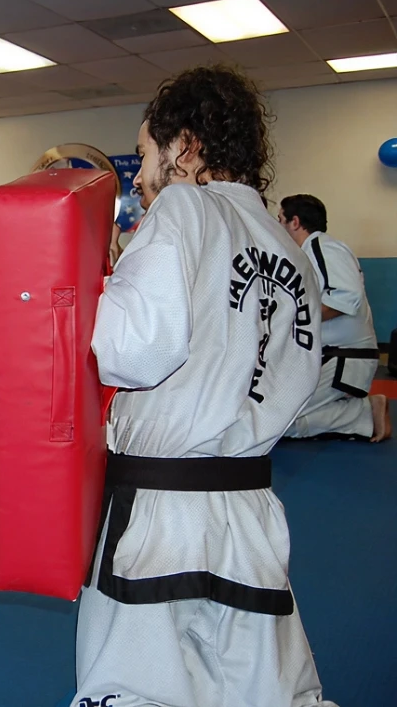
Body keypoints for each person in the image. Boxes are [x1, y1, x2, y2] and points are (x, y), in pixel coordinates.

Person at [75, 66, 338, 707]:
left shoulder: (183, 209)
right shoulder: (290, 248)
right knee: (268, 691)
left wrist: (95, 288)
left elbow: (132, 352)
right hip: (247, 510)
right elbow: (295, 379)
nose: (137, 176)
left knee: (136, 690)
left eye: (142, 154)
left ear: (186, 146)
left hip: (162, 510)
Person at [278, 194, 390, 442]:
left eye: (280, 220)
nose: (278, 228)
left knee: (276, 425)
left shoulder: (324, 247)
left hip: (345, 358)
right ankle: (360, 413)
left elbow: (345, 297)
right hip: (326, 357)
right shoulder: (305, 255)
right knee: (270, 416)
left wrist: (291, 322)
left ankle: (362, 415)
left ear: (295, 222)